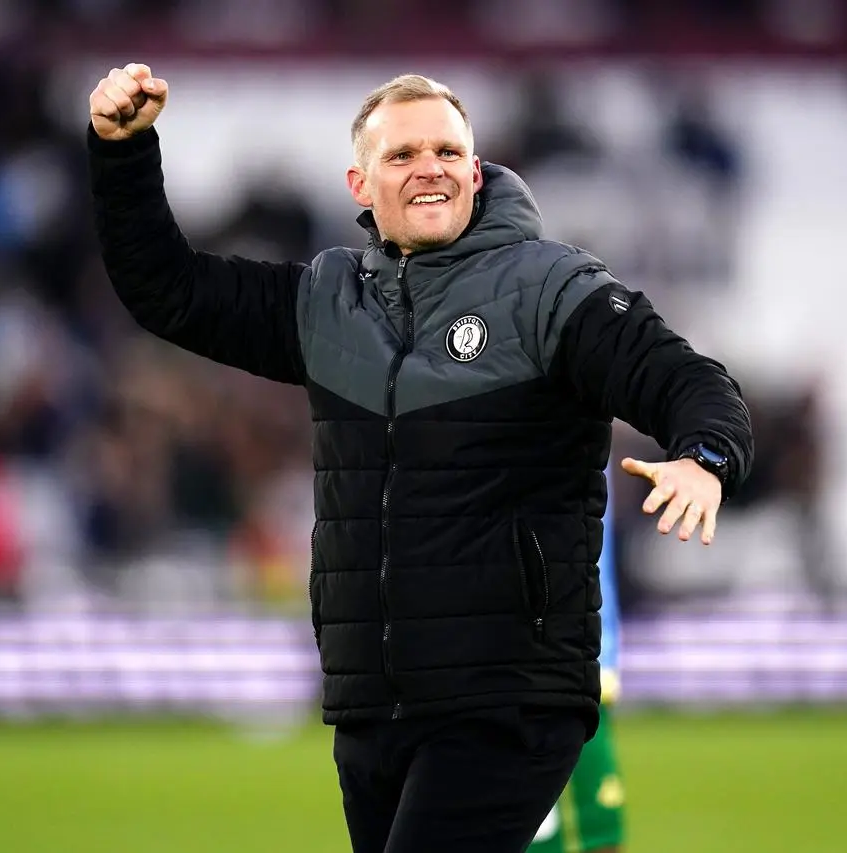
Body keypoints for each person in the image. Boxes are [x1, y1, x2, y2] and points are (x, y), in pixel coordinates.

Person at [87, 66, 753, 853]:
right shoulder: (328, 300)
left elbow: (684, 379)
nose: (429, 166)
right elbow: (168, 290)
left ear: (475, 170)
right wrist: (122, 151)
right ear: (359, 183)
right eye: (402, 155)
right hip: (373, 706)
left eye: (447, 149)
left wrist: (702, 456)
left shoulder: (550, 288)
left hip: (507, 698)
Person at [530, 472, 627, 853]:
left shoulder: (588, 432)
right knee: (531, 822)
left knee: (603, 823)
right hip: (517, 659)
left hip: (590, 652)